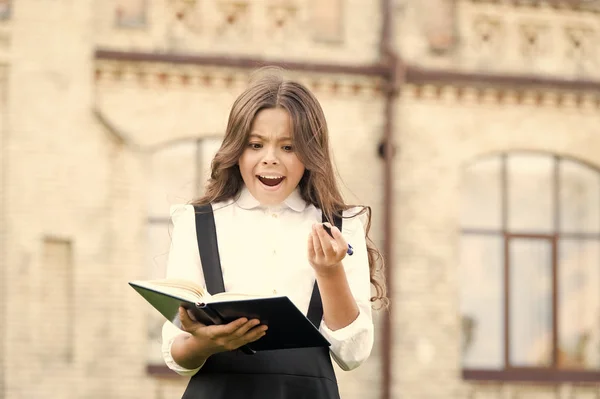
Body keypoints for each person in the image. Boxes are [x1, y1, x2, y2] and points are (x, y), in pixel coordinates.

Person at [160, 69, 386, 399]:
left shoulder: (341, 225)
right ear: (236, 150)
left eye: (288, 147)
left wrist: (329, 271)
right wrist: (202, 342)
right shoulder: (196, 221)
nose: (270, 159)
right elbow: (176, 354)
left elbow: (351, 355)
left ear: (310, 154)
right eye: (255, 144)